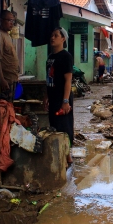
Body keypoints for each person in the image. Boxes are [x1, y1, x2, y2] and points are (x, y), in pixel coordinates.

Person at [45, 27, 74, 164]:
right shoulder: (50, 57)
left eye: (56, 35)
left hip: (63, 97)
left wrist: (65, 100)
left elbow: (68, 80)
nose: (52, 37)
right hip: (52, 96)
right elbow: (48, 78)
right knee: (54, 125)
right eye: (52, 35)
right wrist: (46, 96)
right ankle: (59, 154)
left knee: (64, 127)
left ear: (63, 39)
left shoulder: (66, 56)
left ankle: (68, 156)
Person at [0, 10, 19, 97]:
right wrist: (2, 80)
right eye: (9, 20)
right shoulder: (0, 35)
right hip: (6, 81)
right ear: (1, 20)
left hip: (12, 79)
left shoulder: (7, 35)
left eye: (13, 21)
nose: (12, 24)